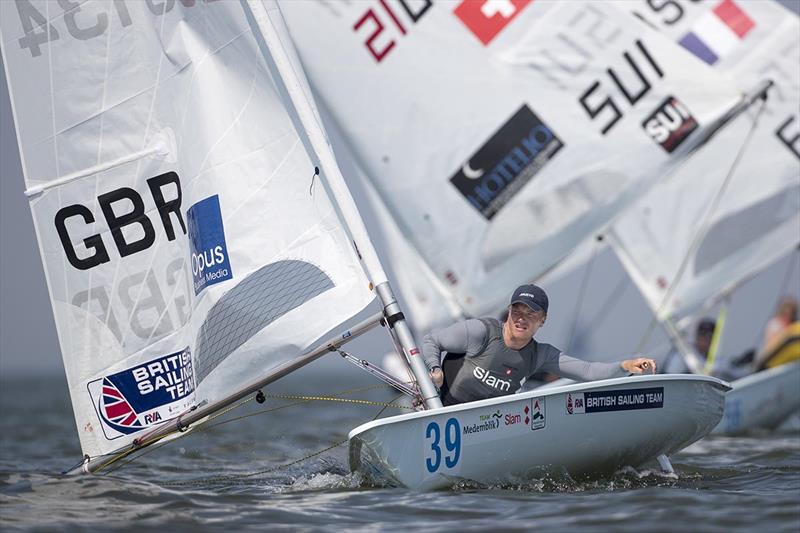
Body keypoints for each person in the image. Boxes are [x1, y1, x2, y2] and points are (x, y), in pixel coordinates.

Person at [422, 284, 656, 406]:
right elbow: (431, 340)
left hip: (484, 426)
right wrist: (434, 369)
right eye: (517, 311)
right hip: (443, 412)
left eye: (531, 313)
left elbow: (588, 372)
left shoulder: (540, 355)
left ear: (543, 320)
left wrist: (626, 365)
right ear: (509, 311)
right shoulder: (480, 331)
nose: (521, 319)